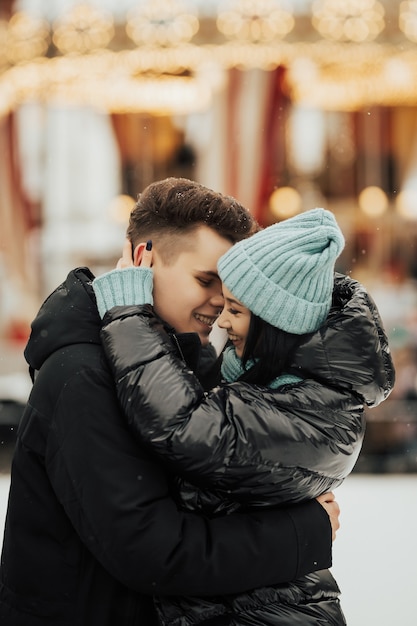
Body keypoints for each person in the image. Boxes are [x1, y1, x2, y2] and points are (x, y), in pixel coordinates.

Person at [0, 179, 340, 626]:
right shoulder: (81, 374)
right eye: (205, 279)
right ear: (144, 257)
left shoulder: (184, 364)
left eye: (230, 285)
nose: (220, 301)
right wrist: (301, 532)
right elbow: (152, 552)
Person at [92, 207, 395, 625]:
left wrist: (127, 313)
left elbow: (185, 427)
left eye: (235, 308)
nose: (222, 319)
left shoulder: (315, 409)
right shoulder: (280, 387)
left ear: (273, 323)